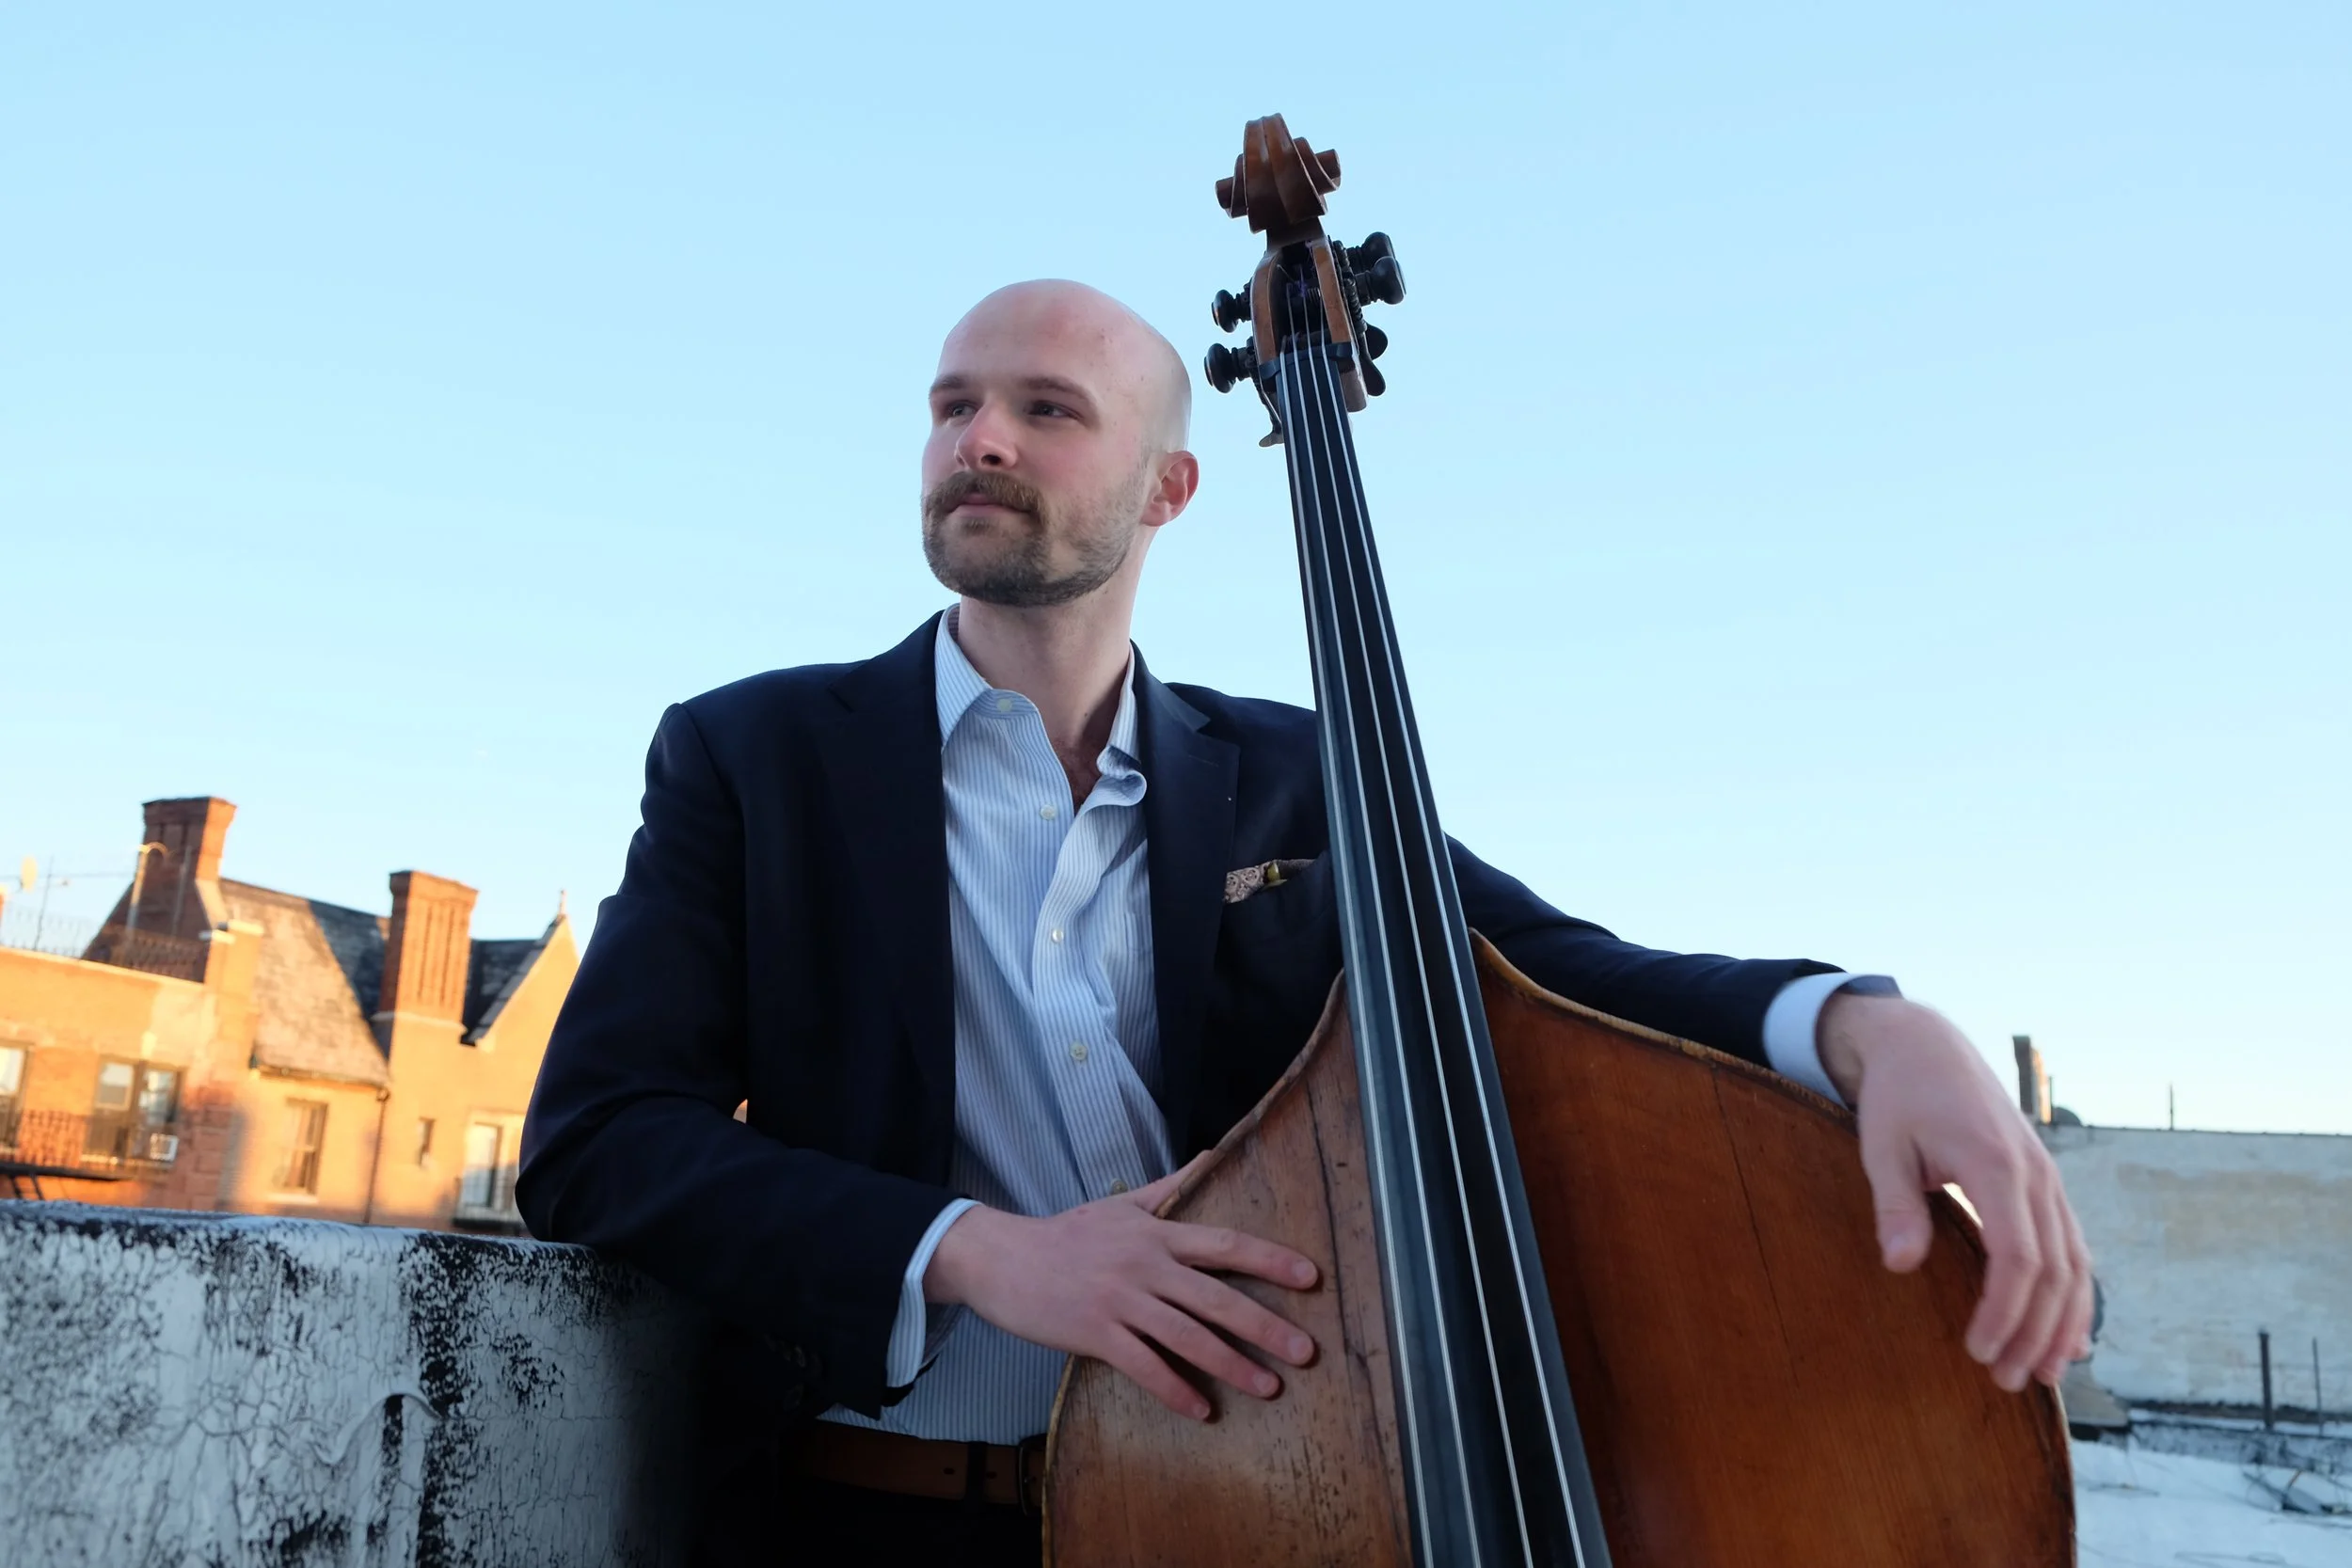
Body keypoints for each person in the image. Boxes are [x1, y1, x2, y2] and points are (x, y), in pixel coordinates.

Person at [517, 280, 2092, 1567]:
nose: (978, 438)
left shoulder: (1302, 774)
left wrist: (1860, 1025)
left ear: (1169, 487)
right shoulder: (751, 755)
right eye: (952, 405)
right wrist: (979, 1254)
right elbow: (600, 1136)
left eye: (1048, 409)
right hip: (874, 1519)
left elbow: (1554, 975)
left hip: (1268, 1519)